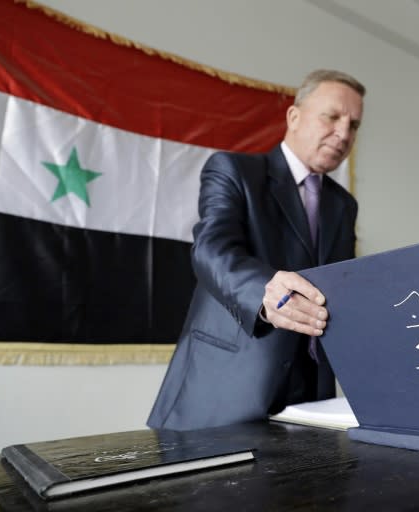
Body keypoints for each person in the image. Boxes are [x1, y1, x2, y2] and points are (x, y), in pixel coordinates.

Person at [147, 69, 365, 430]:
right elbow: (211, 249)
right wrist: (266, 293)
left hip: (311, 395)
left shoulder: (344, 205)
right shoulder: (233, 170)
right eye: (332, 116)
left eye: (354, 125)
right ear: (294, 117)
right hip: (226, 385)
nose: (343, 133)